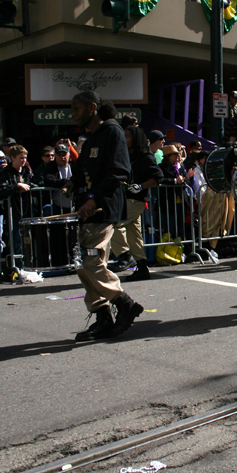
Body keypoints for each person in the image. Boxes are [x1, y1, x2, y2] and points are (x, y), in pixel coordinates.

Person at [65, 91, 143, 341]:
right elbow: (84, 170)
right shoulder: (90, 138)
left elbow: (119, 171)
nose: (73, 114)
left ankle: (125, 303)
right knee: (85, 266)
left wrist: (94, 197)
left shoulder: (112, 132)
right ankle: (102, 317)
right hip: (88, 209)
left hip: (103, 208)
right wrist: (72, 183)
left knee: (91, 262)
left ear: (92, 107)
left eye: (77, 109)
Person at [110, 125, 164, 281]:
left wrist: (141, 186)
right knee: (134, 235)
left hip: (136, 199)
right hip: (126, 198)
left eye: (127, 136)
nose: (125, 138)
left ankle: (125, 256)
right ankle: (142, 267)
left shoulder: (145, 156)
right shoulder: (125, 155)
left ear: (135, 139)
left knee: (114, 223)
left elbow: (158, 177)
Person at [0, 144, 36, 262]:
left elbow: (35, 184)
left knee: (28, 239)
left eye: (25, 158)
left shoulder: (27, 171)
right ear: (13, 158)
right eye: (21, 158)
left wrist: (29, 186)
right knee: (16, 239)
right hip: (12, 211)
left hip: (27, 209)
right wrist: (16, 186)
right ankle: (17, 265)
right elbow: (1, 189)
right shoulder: (6, 172)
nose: (24, 160)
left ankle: (28, 263)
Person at [43, 144, 74, 215]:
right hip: (56, 205)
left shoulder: (74, 166)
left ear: (69, 155)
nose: (62, 157)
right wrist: (67, 182)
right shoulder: (51, 167)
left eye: (64, 154)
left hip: (72, 205)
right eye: (59, 155)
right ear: (55, 156)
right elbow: (49, 180)